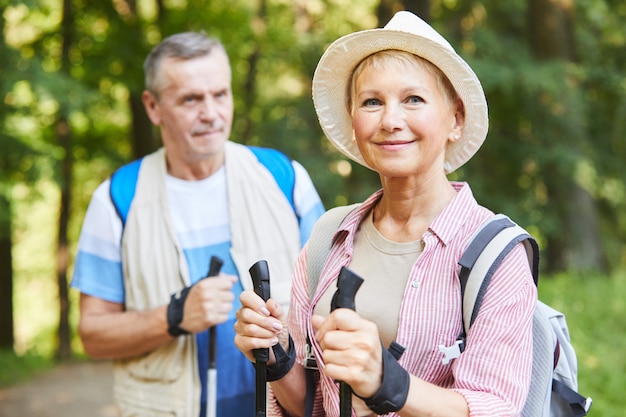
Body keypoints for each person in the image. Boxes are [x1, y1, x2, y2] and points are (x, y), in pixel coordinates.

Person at [234, 10, 537, 417]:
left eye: (413, 99)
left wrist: (387, 382)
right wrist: (276, 356)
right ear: (355, 124)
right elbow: (312, 405)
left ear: (456, 120)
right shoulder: (328, 239)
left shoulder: (496, 255)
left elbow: (496, 408)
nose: (390, 121)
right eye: (372, 102)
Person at [71, 32, 325, 417]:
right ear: (153, 107)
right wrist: (172, 317)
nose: (211, 113)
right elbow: (93, 335)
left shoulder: (285, 179)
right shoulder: (116, 199)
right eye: (191, 99)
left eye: (220, 94)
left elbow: (328, 303)